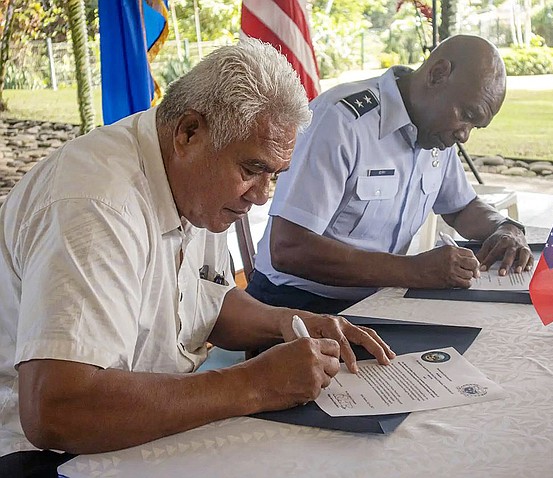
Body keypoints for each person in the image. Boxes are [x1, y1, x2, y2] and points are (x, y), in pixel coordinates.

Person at [0, 39, 394, 471]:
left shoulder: (192, 179)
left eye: (274, 176)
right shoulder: (96, 205)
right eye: (252, 170)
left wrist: (287, 321)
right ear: (189, 132)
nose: (262, 198)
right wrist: (254, 384)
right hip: (46, 454)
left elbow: (208, 298)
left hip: (142, 421)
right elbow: (55, 411)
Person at [247, 35, 533, 314]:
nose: (464, 134)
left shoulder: (436, 133)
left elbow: (461, 208)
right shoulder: (341, 121)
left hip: (380, 298)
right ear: (437, 74)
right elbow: (288, 248)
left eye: (475, 125)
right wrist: (415, 270)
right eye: (467, 115)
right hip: (295, 304)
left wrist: (505, 228)